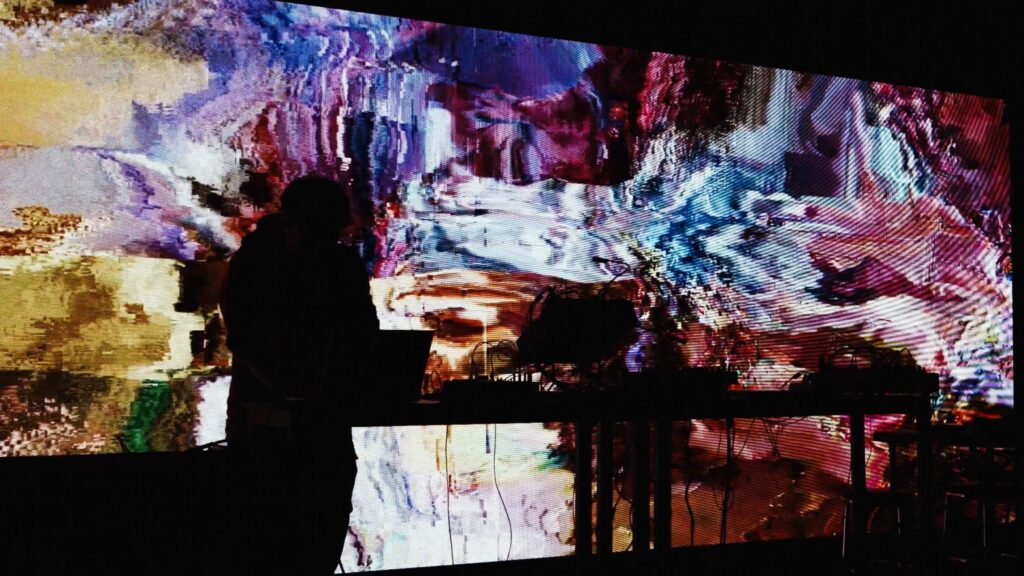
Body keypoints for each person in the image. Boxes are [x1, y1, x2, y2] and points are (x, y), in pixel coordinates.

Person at [220, 175, 379, 573]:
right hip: (265, 428)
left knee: (321, 531)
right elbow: (244, 340)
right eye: (321, 232)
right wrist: (289, 388)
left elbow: (365, 332)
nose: (328, 242)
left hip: (323, 425)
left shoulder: (340, 263)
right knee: (268, 537)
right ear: (293, 223)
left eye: (333, 234)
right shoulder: (254, 264)